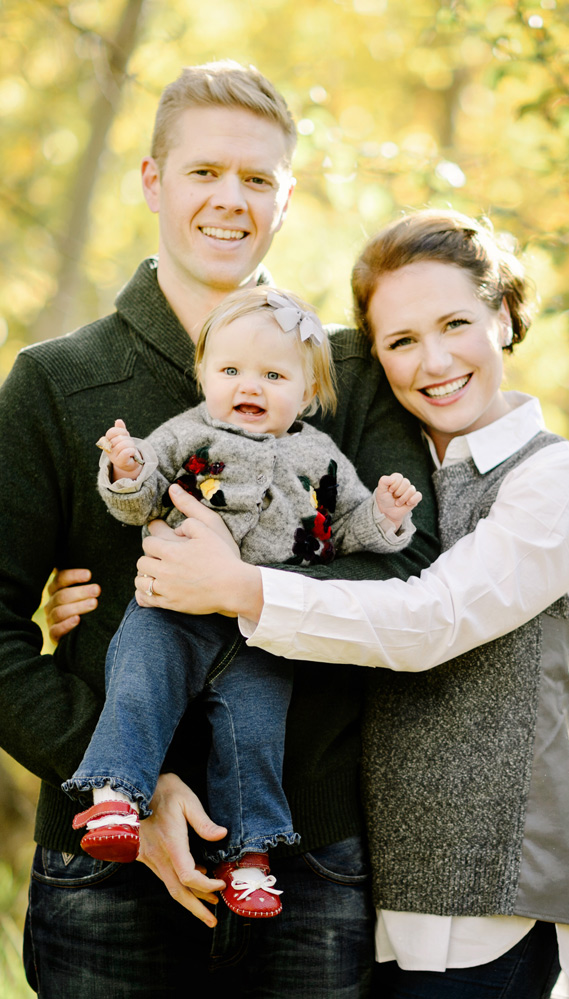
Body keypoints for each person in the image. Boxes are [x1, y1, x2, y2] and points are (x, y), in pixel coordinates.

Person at [0, 61, 439, 998]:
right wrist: (126, 778)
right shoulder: (57, 381)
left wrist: (252, 591)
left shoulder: (349, 376)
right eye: (205, 172)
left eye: (257, 179)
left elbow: (413, 575)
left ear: (287, 199)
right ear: (152, 180)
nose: (229, 201)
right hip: (104, 869)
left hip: (308, 861)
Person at [66, 209, 569, 998]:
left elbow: (429, 619)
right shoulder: (383, 469)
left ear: (502, 315)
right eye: (400, 341)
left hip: (493, 903)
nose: (434, 360)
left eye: (457, 322)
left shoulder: (557, 479)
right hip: (373, 896)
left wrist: (238, 589)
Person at [63, 285, 421, 922]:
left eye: (273, 374)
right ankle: (116, 792)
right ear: (202, 375)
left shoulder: (322, 456)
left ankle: (250, 856)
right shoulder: (187, 433)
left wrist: (385, 516)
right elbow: (140, 494)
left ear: (307, 392)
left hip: (262, 629)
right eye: (229, 370)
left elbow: (345, 531)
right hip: (171, 610)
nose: (248, 385)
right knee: (140, 683)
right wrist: (124, 467)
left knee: (254, 736)